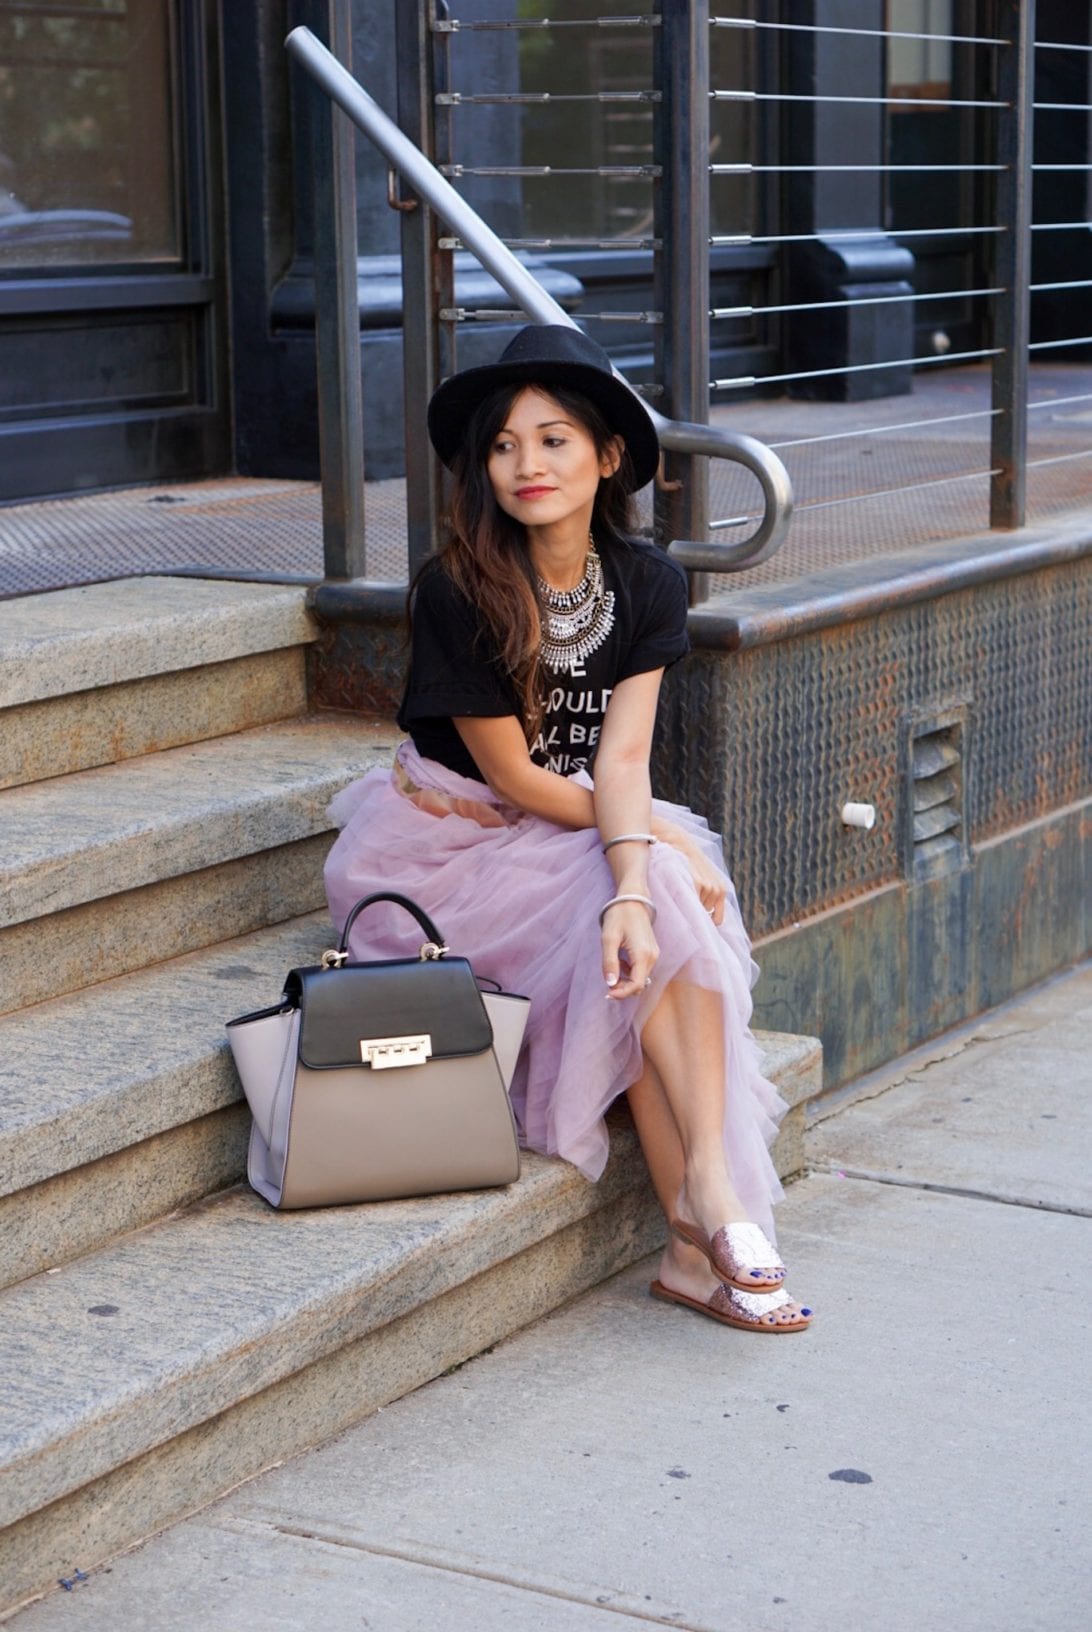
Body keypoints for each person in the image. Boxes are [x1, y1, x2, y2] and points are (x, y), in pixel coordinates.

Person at [324, 324, 812, 1333]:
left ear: (609, 454)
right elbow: (509, 774)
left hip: (572, 820)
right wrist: (651, 852)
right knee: (661, 886)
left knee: (650, 902)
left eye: (552, 440)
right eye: (503, 445)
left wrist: (637, 871)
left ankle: (702, 1208)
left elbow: (622, 762)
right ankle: (699, 1231)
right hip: (450, 846)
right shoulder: (456, 586)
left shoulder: (648, 583)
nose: (526, 465)